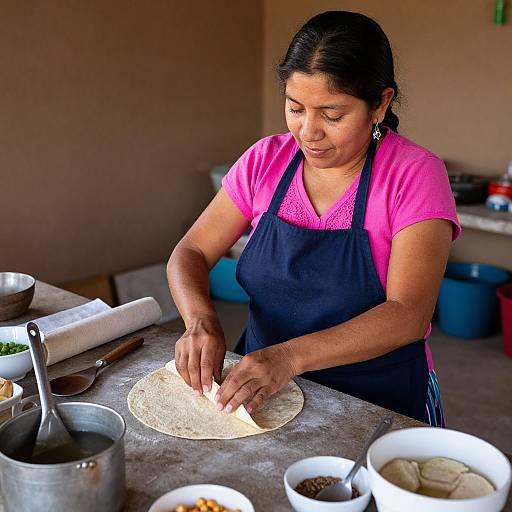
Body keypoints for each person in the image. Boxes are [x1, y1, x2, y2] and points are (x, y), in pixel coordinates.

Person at [167, 11, 460, 426]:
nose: (308, 132)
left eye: (332, 114)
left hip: (378, 397)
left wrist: (287, 358)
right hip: (262, 391)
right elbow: (191, 250)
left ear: (380, 103)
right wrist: (200, 321)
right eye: (295, 108)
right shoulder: (265, 161)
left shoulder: (414, 175)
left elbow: (408, 314)